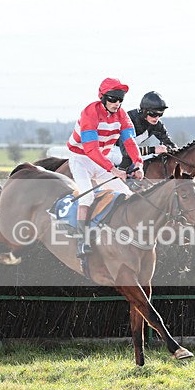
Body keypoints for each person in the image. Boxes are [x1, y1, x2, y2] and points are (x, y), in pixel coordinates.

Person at [67, 77, 145, 258]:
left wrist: (138, 163)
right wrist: (113, 170)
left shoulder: (122, 115)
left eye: (120, 99)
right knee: (86, 197)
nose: (117, 103)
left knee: (127, 194)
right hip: (81, 159)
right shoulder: (90, 113)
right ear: (102, 97)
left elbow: (130, 142)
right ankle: (81, 241)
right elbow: (91, 149)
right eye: (112, 99)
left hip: (101, 159)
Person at [116, 91, 176, 170]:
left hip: (129, 152)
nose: (157, 118)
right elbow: (126, 152)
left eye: (160, 114)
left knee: (153, 161)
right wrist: (153, 149)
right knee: (128, 159)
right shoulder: (129, 120)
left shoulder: (157, 125)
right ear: (144, 111)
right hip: (113, 150)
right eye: (153, 114)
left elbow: (170, 144)